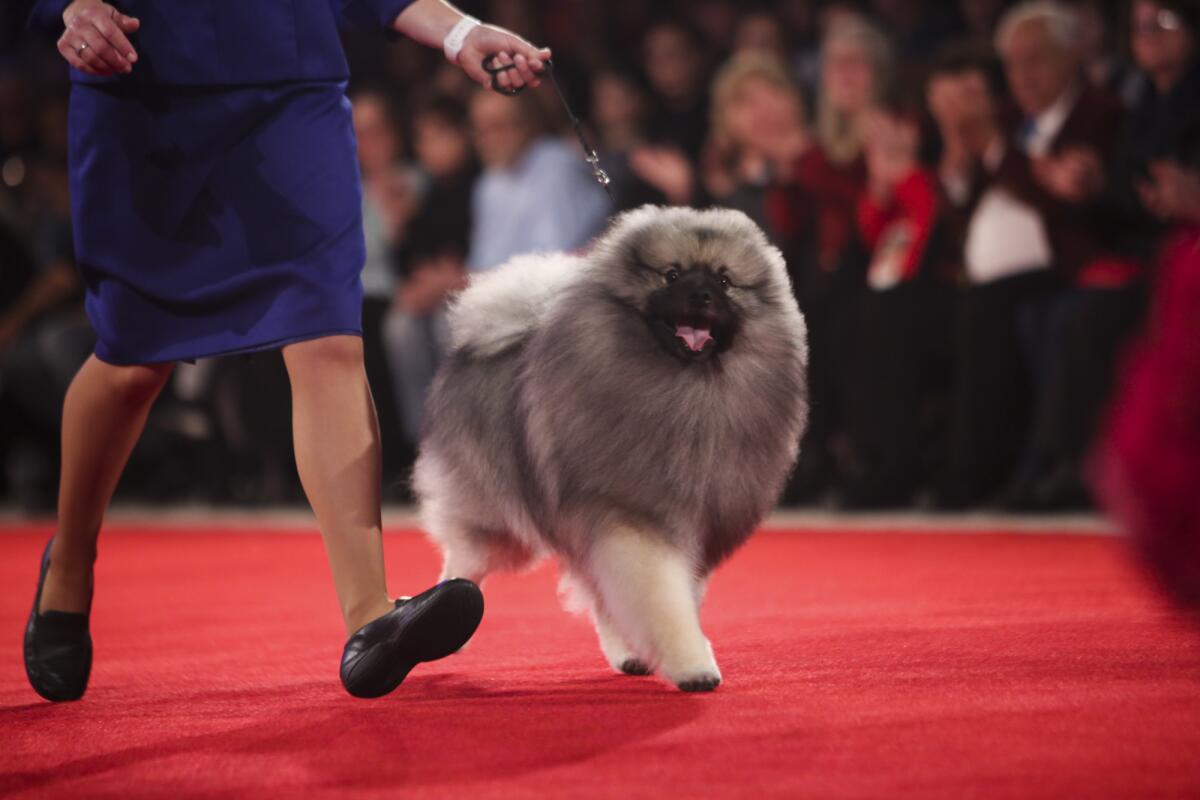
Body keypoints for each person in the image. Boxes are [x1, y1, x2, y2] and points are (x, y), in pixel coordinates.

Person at [21, 0, 552, 702]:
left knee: (328, 337)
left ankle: (369, 616)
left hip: (291, 92)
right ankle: (71, 562)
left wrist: (456, 31)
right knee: (131, 361)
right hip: (143, 92)